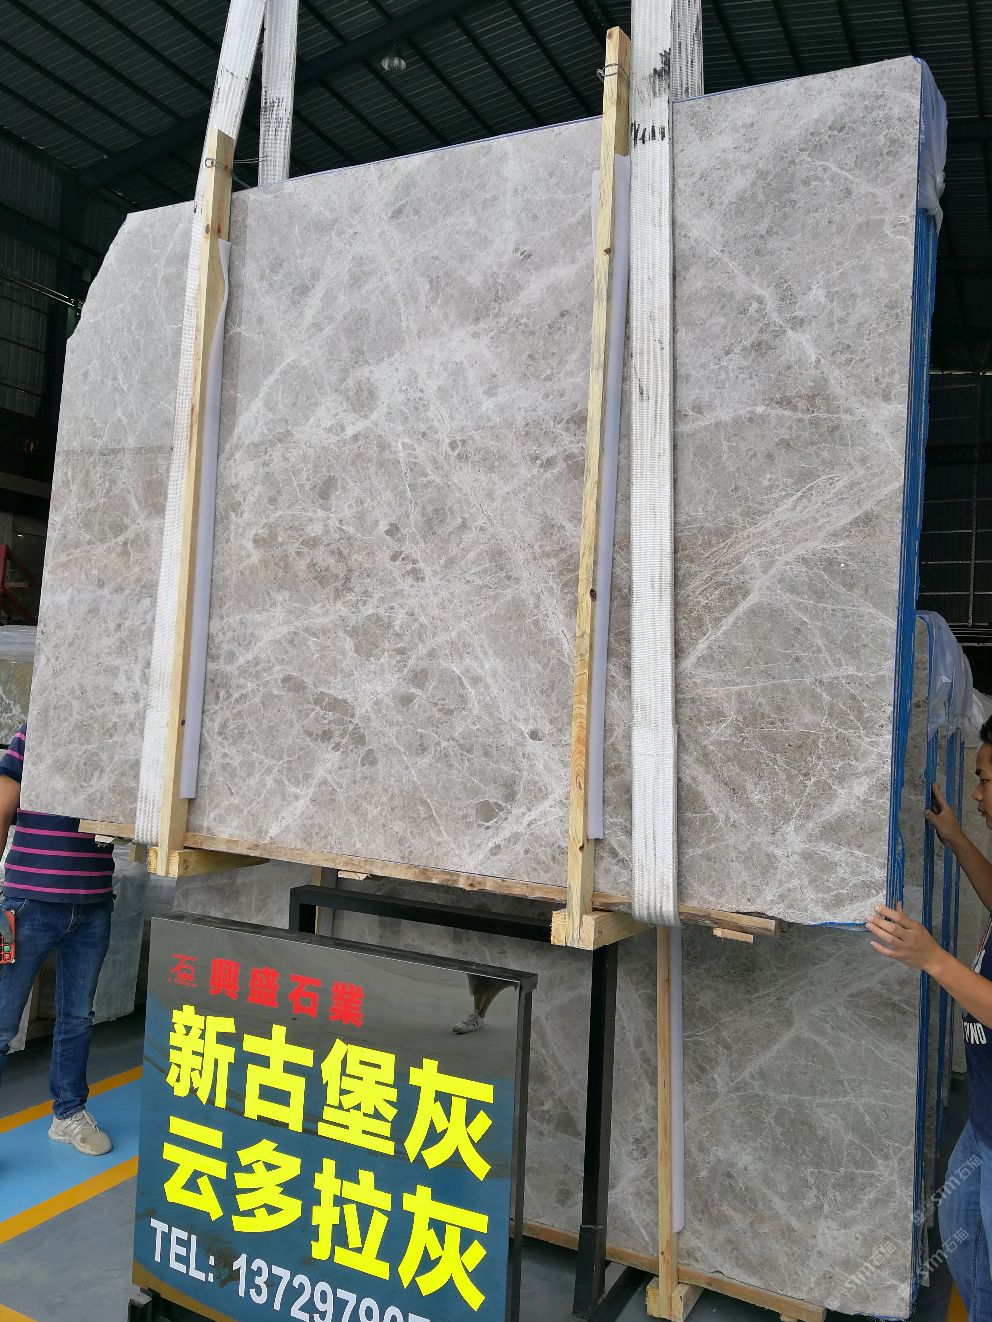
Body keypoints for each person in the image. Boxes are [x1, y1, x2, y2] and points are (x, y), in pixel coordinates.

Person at [0, 722, 115, 1154]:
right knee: (2, 1020)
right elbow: (2, 808)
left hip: (93, 904)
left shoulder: (119, 737)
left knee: (77, 1017)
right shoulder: (39, 729)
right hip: (28, 904)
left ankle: (68, 1114)